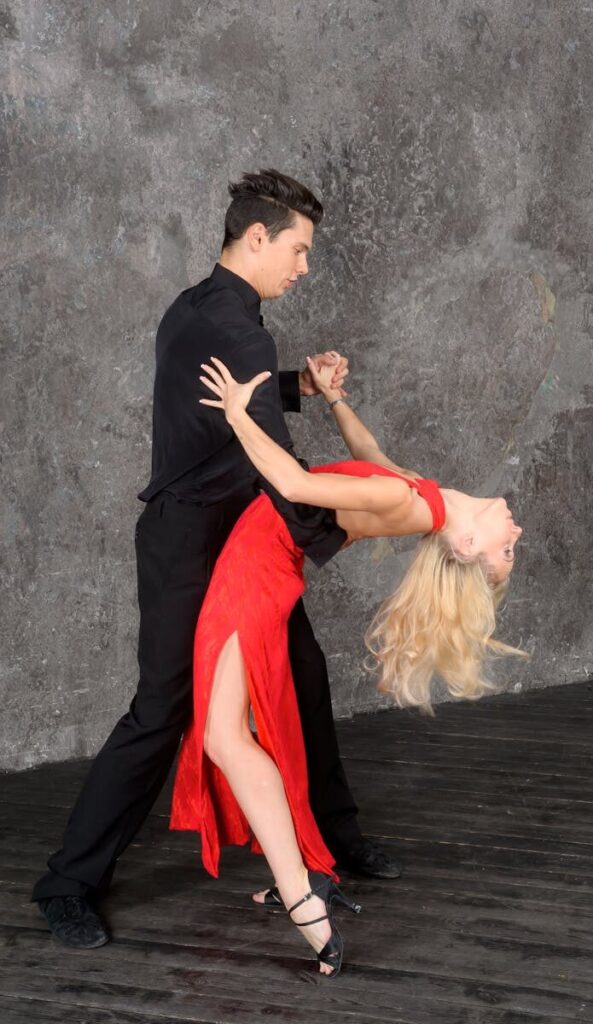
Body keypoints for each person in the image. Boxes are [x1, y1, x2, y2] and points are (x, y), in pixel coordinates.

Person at [32, 169, 400, 951]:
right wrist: (362, 518)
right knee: (164, 707)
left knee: (299, 677)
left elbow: (235, 403)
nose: (304, 267)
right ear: (256, 237)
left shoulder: (199, 309)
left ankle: (330, 845)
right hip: (193, 544)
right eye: (298, 250)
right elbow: (276, 462)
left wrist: (299, 383)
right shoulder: (237, 330)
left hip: (238, 540)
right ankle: (66, 885)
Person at [168, 355, 523, 977]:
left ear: (467, 548)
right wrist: (333, 399)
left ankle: (304, 900)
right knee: (232, 734)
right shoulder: (420, 498)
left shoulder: (410, 503)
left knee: (226, 737)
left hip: (255, 570)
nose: (515, 530)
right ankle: (301, 880)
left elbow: (297, 486)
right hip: (260, 562)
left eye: (507, 549)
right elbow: (370, 452)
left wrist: (235, 415)